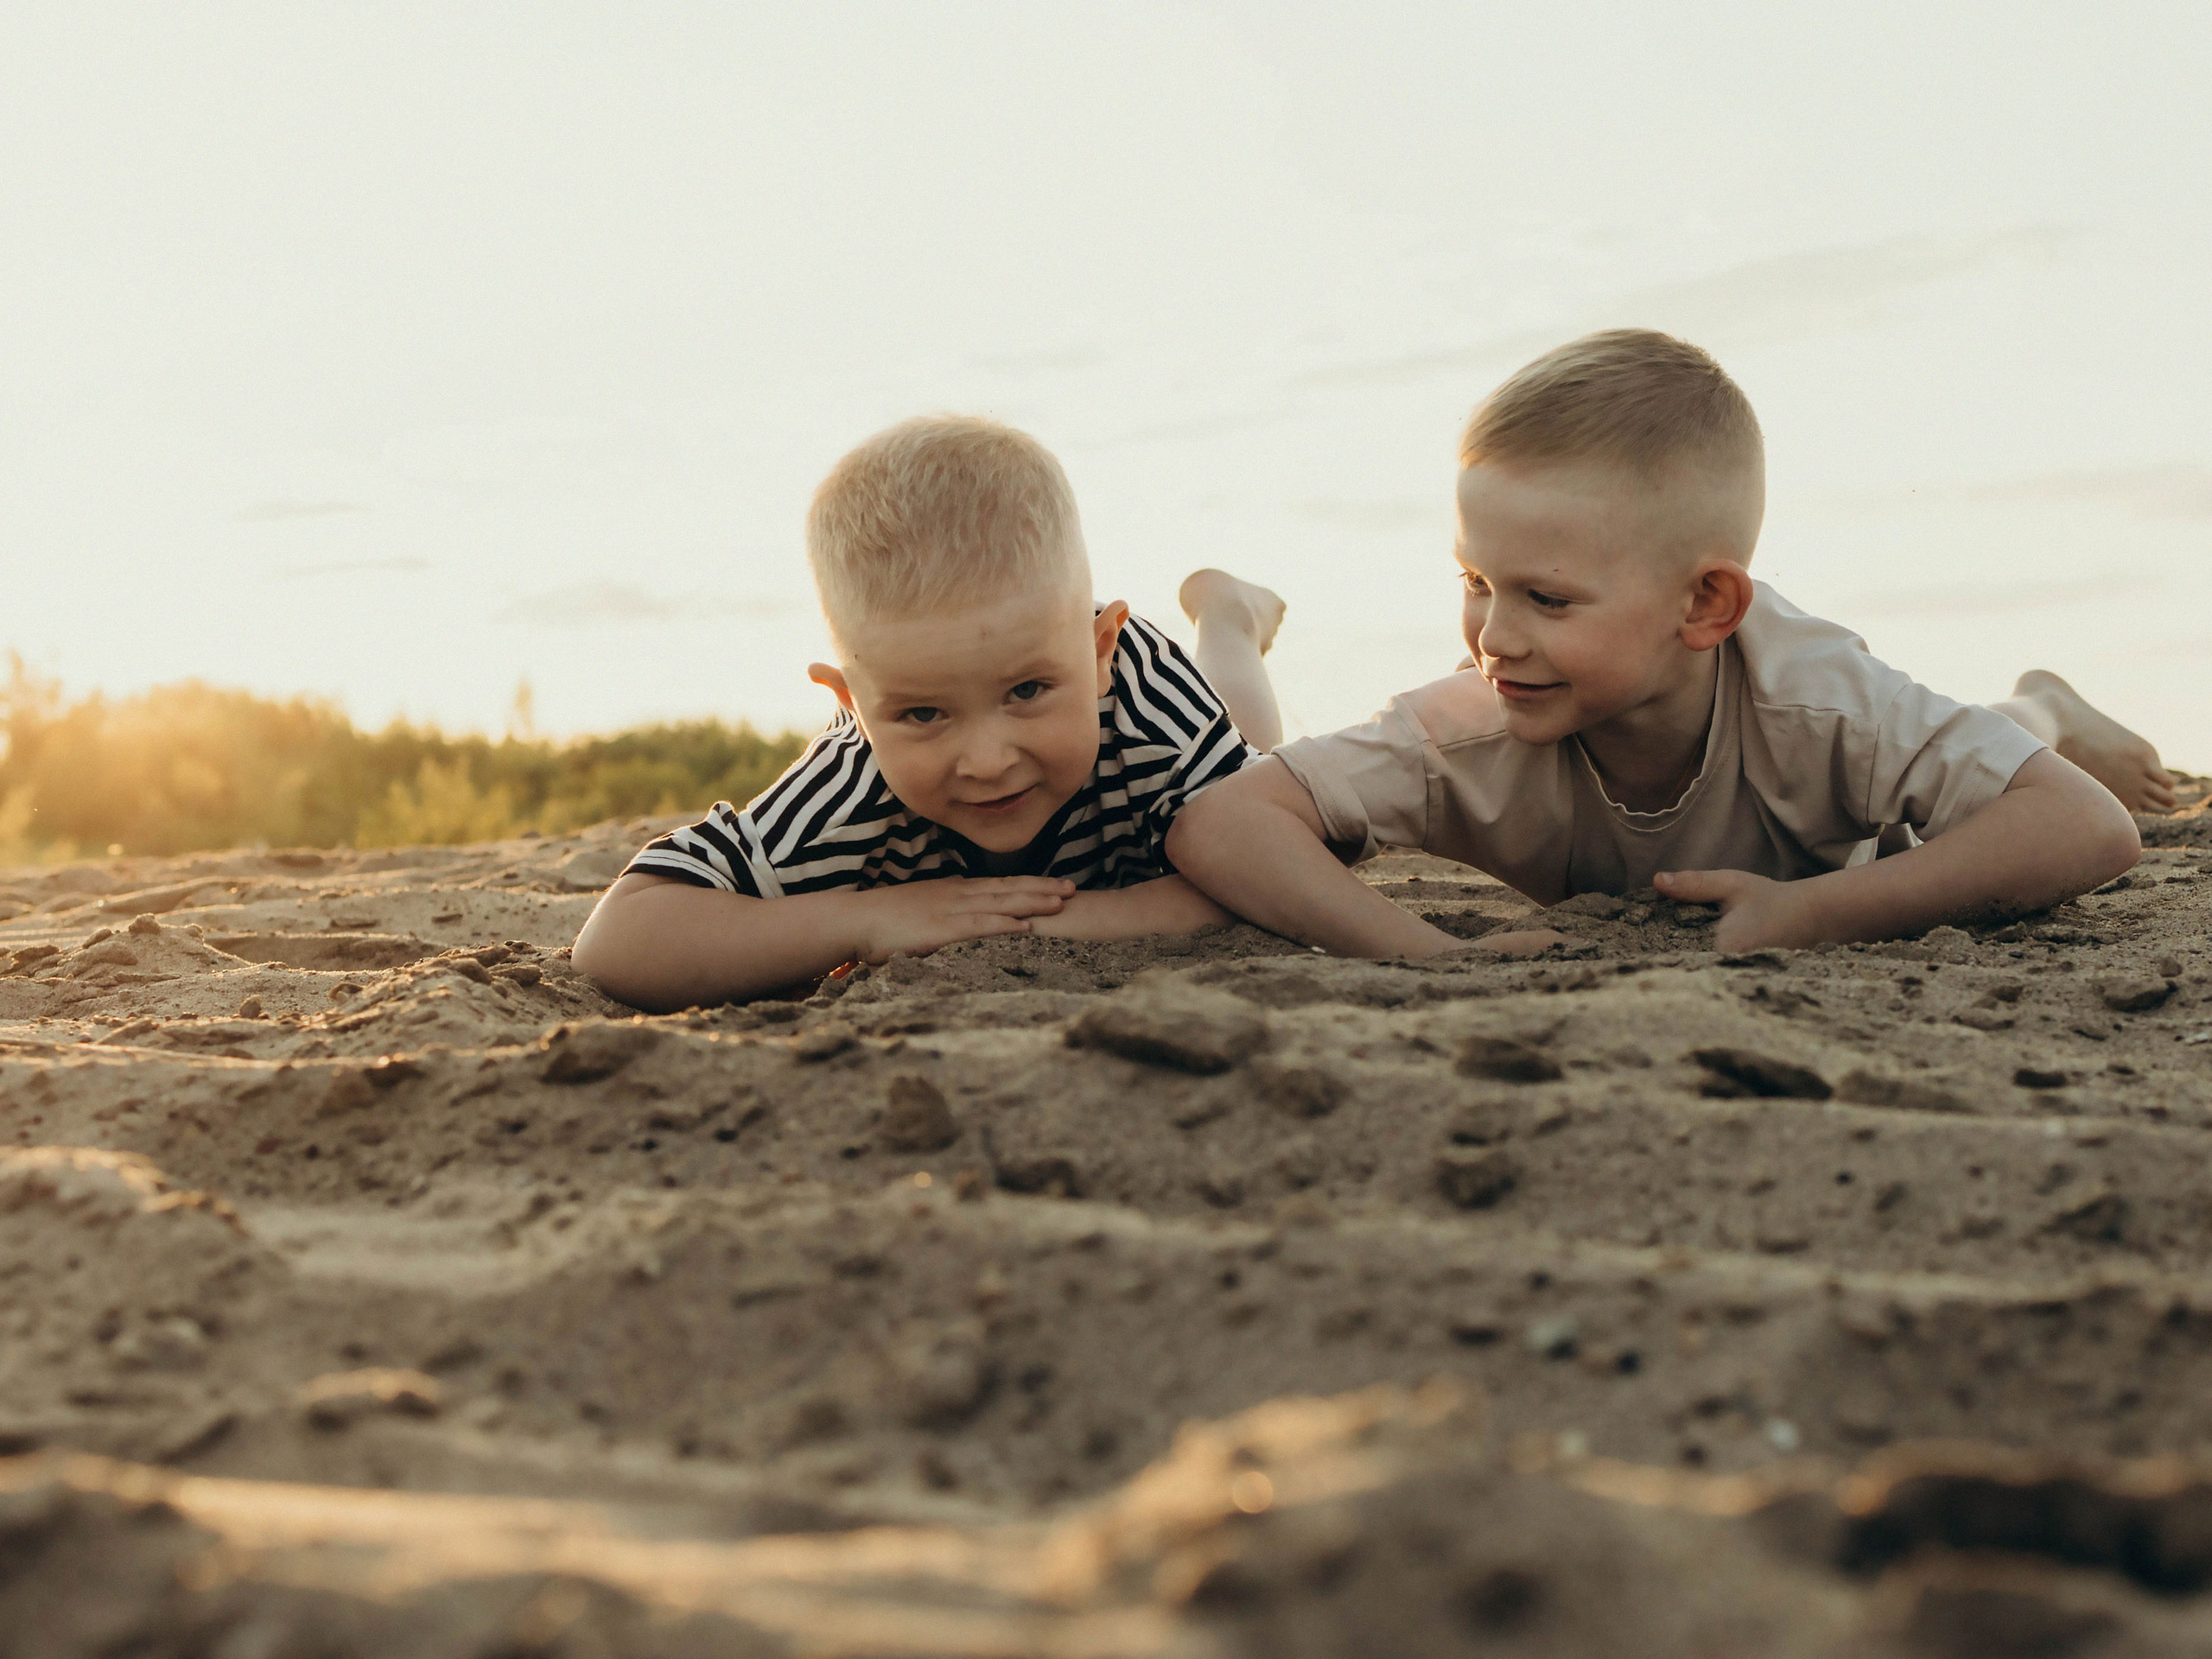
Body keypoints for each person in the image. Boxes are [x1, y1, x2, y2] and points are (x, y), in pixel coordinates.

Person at [1167, 329, 2163, 958]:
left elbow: (2087, 827)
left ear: (1704, 606)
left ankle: (2046, 705)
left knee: (1990, 735)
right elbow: (1222, 823)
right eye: (1475, 583)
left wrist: (1817, 911)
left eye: (1546, 599)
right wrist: (1423, 950)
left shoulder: (1816, 696)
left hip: (1870, 825)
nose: (1492, 639)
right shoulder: (1467, 729)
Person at [571, 416, 1287, 1010]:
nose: (987, 760)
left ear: (1099, 649)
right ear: (853, 706)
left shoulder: (1140, 696)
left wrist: (1067, 922)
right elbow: (620, 940)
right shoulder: (851, 785)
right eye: (921, 714)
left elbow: (1284, 852)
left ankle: (1227, 617)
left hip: (1163, 762)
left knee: (1249, 743)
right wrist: (871, 918)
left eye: (1028, 691)